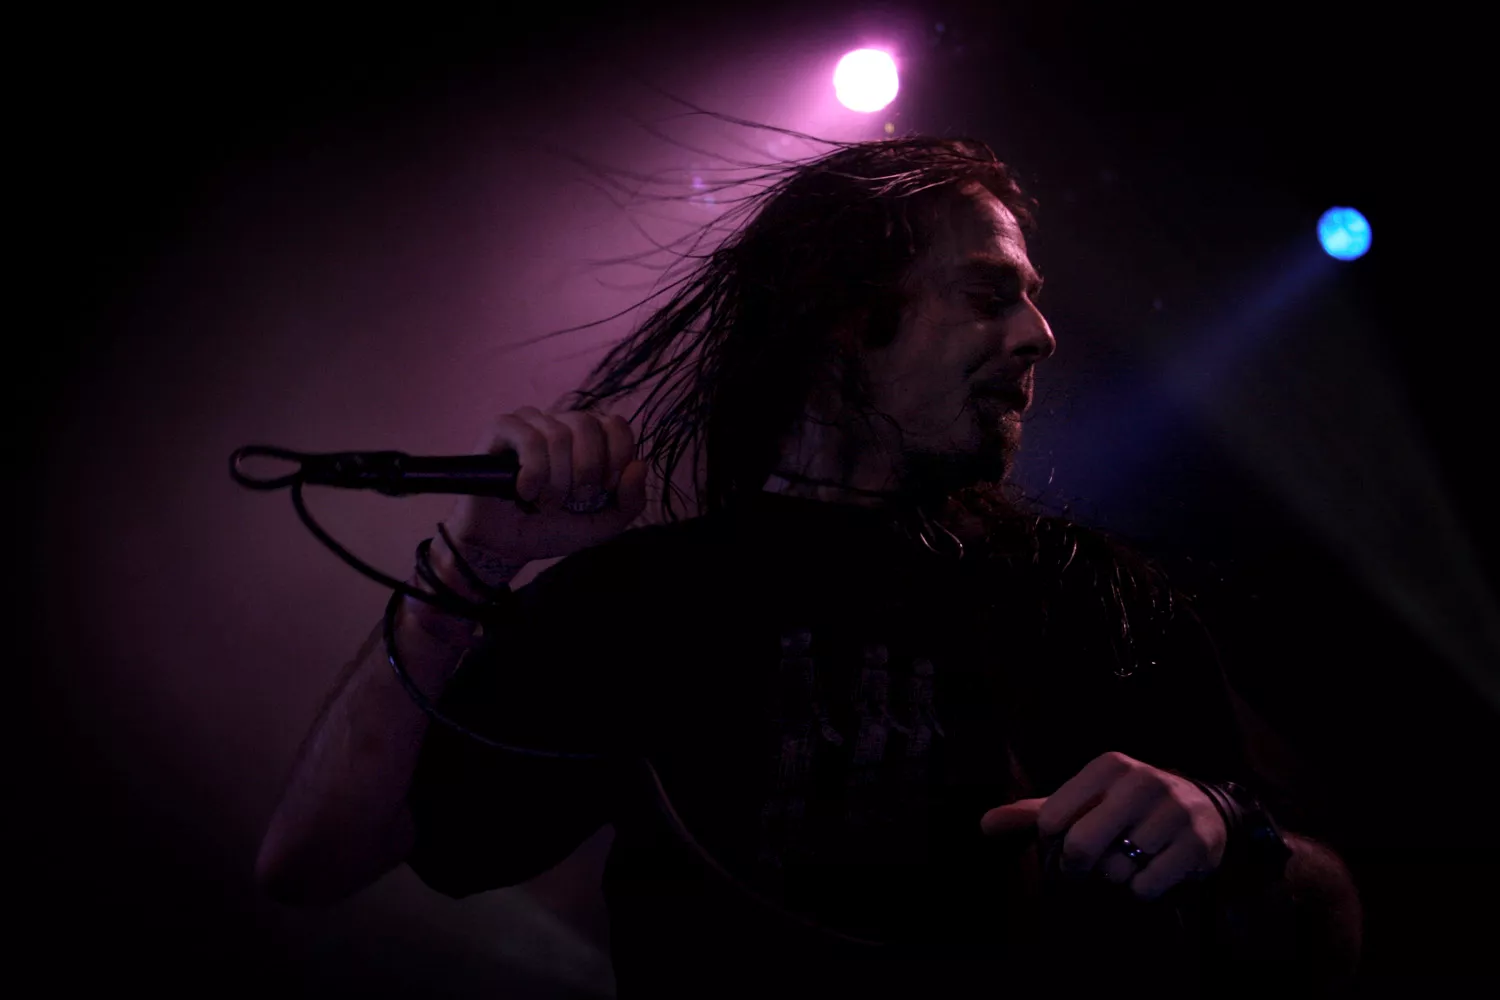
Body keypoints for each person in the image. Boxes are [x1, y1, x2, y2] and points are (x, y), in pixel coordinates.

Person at [255, 136, 1363, 997]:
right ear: (842, 311)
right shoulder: (648, 602)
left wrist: (1232, 831)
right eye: (989, 295)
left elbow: (1335, 919)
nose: (1040, 335)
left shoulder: (1086, 594)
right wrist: (474, 563)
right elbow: (312, 860)